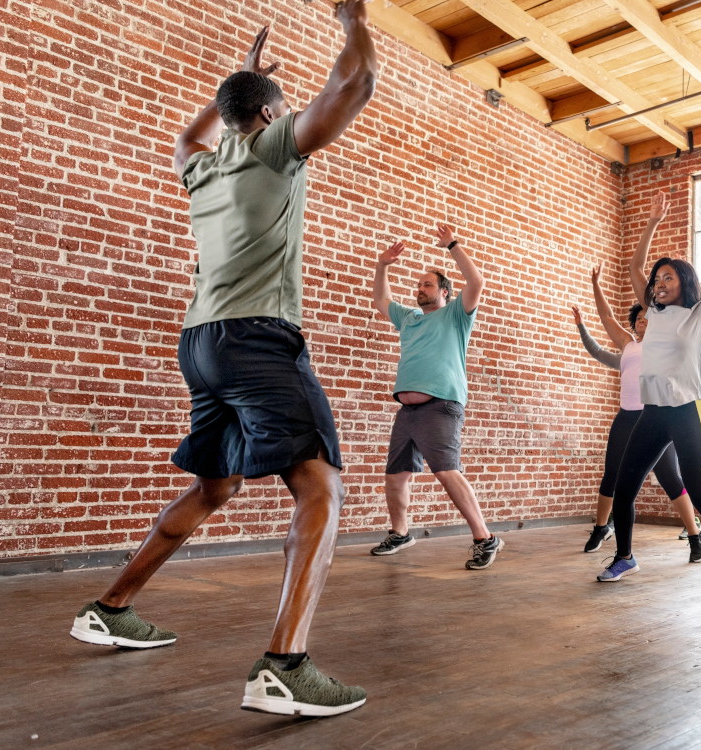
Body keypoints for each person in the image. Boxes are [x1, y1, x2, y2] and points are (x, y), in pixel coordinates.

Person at [68, 11, 378, 716]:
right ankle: (285, 664)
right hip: (256, 339)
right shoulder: (272, 148)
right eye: (277, 109)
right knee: (320, 484)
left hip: (200, 343)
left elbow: (185, 136)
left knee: (218, 487)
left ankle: (112, 607)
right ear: (269, 115)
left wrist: (235, 85)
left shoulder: (200, 168)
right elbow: (356, 81)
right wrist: (353, 17)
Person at [596, 188, 701, 600]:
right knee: (623, 486)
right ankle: (625, 556)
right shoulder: (651, 312)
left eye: (669, 277)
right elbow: (635, 265)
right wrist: (651, 220)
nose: (659, 283)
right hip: (652, 414)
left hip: (688, 411)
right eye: (657, 279)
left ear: (684, 283)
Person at [368, 225, 502, 571]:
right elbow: (380, 301)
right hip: (408, 412)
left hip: (441, 405)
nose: (420, 289)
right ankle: (400, 533)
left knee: (446, 471)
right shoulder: (410, 318)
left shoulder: (456, 315)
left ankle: (485, 538)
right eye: (418, 285)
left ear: (444, 291)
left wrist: (453, 246)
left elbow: (477, 283)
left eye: (427, 284)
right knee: (396, 476)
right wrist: (382, 266)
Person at [572, 263, 701, 561]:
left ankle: (696, 535)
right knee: (613, 475)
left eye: (649, 316)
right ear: (635, 324)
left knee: (671, 478)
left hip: (656, 417)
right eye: (641, 319)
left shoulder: (664, 340)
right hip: (626, 417)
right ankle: (601, 527)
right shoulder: (628, 346)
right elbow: (606, 318)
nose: (645, 321)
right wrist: (596, 284)